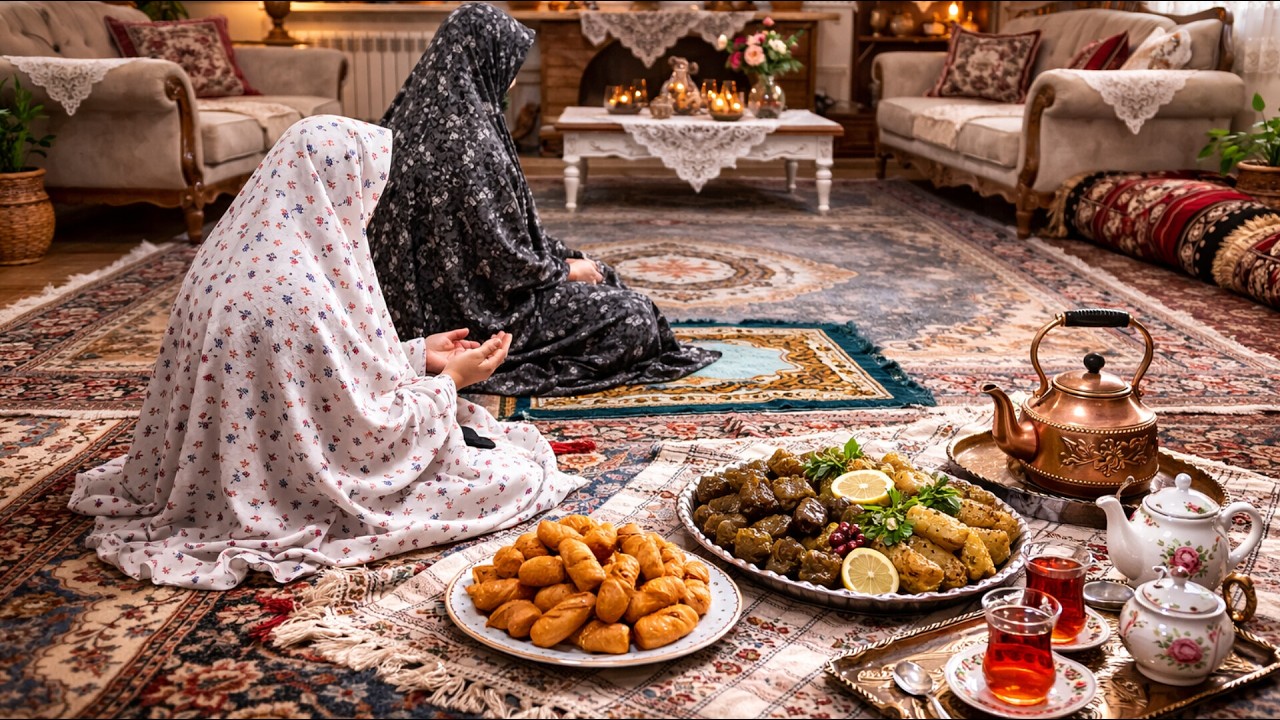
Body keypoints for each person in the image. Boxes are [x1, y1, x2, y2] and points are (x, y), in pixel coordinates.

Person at [67, 116, 582, 590]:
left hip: (221, 464)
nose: (371, 202)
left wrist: (413, 355)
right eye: (367, 187)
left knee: (483, 443)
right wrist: (451, 383)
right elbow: (360, 432)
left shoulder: (246, 248)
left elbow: (308, 375)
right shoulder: (299, 293)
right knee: (513, 477)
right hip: (286, 487)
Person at [367, 3, 720, 397]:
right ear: (485, 57)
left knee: (600, 274)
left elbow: (496, 240)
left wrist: (564, 259)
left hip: (416, 310)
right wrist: (563, 271)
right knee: (633, 317)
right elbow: (500, 260)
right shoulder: (468, 142)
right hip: (471, 316)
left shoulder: (412, 117)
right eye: (511, 58)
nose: (516, 71)